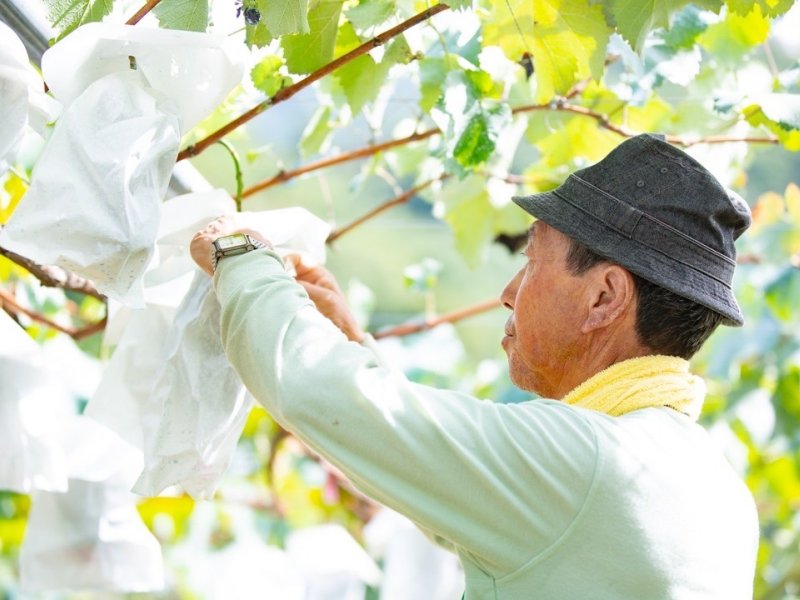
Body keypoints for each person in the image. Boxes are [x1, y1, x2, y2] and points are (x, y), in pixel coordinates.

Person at [190, 134, 759, 599]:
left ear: (605, 297)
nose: (509, 293)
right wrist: (354, 343)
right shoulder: (715, 488)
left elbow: (317, 392)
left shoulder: (588, 462)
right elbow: (463, 487)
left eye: (532, 263)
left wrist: (241, 258)